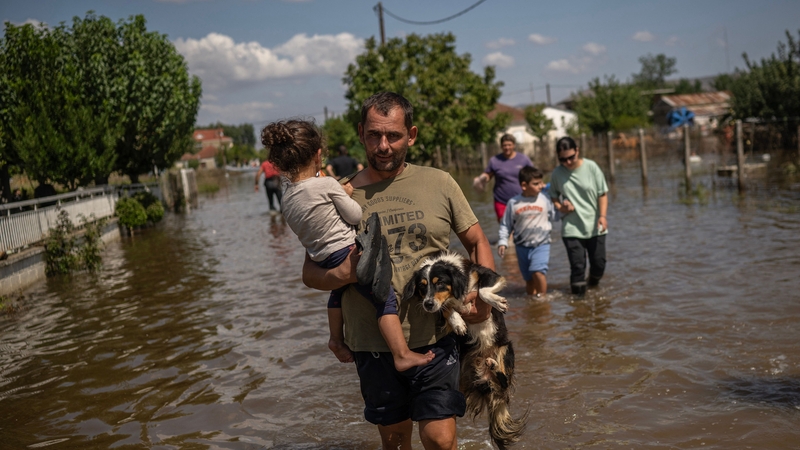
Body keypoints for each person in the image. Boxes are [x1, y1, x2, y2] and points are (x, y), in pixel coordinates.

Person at [302, 92, 494, 450]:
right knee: (395, 442)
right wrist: (348, 272)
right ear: (361, 133)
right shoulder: (338, 194)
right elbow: (311, 273)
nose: (384, 146)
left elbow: (477, 241)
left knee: (440, 440)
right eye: (374, 135)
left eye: (393, 135)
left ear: (412, 135)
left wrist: (482, 296)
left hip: (436, 335)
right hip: (372, 344)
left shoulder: (440, 182)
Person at [261, 118, 433, 373]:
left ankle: (335, 339)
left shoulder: (287, 198)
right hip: (346, 250)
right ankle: (401, 353)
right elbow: (354, 216)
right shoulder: (327, 184)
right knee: (384, 297)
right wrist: (346, 194)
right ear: (318, 156)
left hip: (320, 256)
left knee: (338, 291)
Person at [549, 136, 608, 296]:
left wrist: (602, 216)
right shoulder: (557, 173)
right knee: (577, 267)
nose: (567, 162)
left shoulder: (591, 167)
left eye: (571, 157)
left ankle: (593, 286)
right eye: (563, 159)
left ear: (577, 151)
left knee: (599, 265)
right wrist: (561, 207)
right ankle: (579, 311)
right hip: (571, 228)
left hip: (595, 226)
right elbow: (553, 195)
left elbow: (602, 193)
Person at [497, 166, 558, 298]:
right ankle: (532, 301)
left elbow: (555, 216)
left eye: (541, 183)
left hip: (541, 244)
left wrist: (564, 207)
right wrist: (503, 242)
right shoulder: (514, 203)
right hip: (521, 246)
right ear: (524, 185)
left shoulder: (545, 199)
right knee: (528, 279)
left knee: (538, 272)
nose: (541, 186)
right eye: (536, 184)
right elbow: (506, 225)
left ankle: (542, 299)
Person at [473, 133, 534, 221]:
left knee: (521, 226)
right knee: (505, 227)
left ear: (514, 145)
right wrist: (481, 179)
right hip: (501, 200)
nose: (507, 147)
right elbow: (488, 175)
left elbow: (533, 175)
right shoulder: (495, 160)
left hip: (521, 199)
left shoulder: (523, 159)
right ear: (501, 146)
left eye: (509, 145)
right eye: (504, 145)